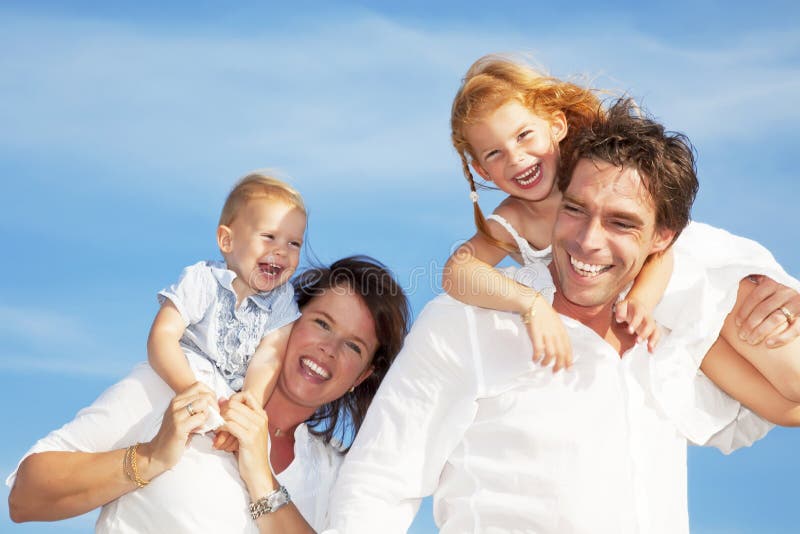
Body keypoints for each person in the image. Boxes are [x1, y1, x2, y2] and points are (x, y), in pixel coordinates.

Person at [324, 100, 800, 533]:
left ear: (662, 240)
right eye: (575, 209)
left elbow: (787, 403)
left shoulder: (672, 339)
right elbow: (377, 486)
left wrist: (778, 306)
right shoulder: (467, 323)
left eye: (621, 222)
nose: (588, 240)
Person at [443, 55, 800, 398]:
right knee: (783, 409)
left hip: (683, 278)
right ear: (482, 171)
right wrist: (529, 303)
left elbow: (664, 250)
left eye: (523, 135)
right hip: (655, 320)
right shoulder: (514, 219)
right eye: (494, 153)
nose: (516, 157)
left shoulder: (596, 172)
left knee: (793, 379)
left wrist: (641, 299)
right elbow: (457, 271)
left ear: (556, 125)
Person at [8, 256, 411, 533]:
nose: (329, 349)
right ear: (286, 320)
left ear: (363, 376)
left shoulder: (338, 473)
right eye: (322, 323)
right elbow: (25, 498)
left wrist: (262, 480)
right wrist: (150, 457)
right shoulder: (182, 385)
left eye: (354, 346)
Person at [149, 172, 307, 436]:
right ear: (227, 241)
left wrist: (250, 403)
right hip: (173, 378)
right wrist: (188, 388)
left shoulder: (282, 299)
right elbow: (162, 337)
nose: (282, 250)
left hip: (223, 400)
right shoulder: (203, 280)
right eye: (269, 236)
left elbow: (269, 357)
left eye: (294, 243)